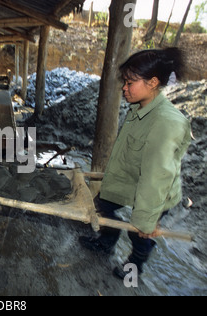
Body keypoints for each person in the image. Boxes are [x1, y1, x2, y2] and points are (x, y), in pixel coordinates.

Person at [79, 48, 192, 279]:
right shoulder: (138, 108)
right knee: (105, 204)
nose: (124, 87)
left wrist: (145, 221)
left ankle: (136, 263)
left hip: (156, 192)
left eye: (130, 82)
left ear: (152, 82)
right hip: (131, 179)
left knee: (139, 232)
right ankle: (106, 242)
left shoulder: (166, 123)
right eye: (125, 82)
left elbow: (156, 178)